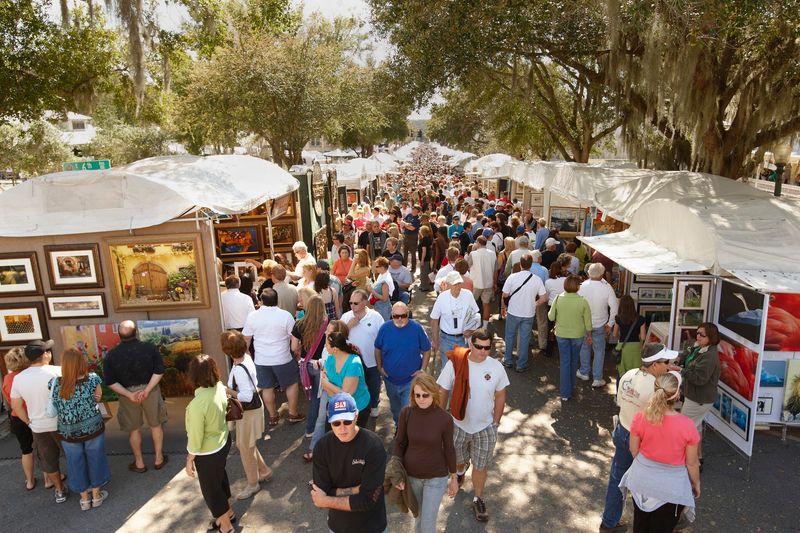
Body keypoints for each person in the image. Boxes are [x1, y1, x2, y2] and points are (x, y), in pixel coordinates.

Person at [599, 344, 674, 533]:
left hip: (623, 430)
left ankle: (609, 521)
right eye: (666, 362)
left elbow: (620, 401)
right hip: (643, 440)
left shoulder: (629, 374)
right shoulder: (656, 390)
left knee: (618, 477)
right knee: (648, 485)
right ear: (655, 365)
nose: (669, 366)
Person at [436, 330, 509, 523]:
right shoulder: (456, 363)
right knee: (458, 461)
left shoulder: (496, 367)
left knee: (481, 465)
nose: (483, 351)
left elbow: (501, 394)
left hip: (485, 428)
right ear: (471, 344)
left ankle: (478, 498)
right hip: (458, 425)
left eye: (487, 348)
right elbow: (443, 389)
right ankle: (460, 472)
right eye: (479, 347)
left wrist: (496, 421)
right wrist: (440, 417)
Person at [619, 372, 701, 532]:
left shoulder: (640, 417)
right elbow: (692, 463)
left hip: (641, 481)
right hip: (670, 488)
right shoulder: (687, 425)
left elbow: (633, 449)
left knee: (640, 525)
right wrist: (696, 484)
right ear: (677, 395)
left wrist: (646, 465)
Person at [310, 392, 388, 533]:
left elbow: (367, 500)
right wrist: (357, 489)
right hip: (337, 527)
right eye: (336, 423)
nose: (342, 428)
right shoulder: (322, 447)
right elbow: (321, 489)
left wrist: (326, 500)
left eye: (347, 421)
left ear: (356, 416)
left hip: (372, 527)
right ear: (329, 419)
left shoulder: (374, 446)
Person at [392, 374, 458, 533]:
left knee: (428, 524)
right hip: (412, 476)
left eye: (425, 395)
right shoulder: (406, 413)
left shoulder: (444, 419)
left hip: (436, 477)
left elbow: (449, 448)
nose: (421, 399)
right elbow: (399, 443)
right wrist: (396, 473)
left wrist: (454, 477)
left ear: (434, 393)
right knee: (418, 518)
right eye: (417, 395)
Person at [103, 321, 167, 473]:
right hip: (150, 390)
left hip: (127, 393)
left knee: (134, 429)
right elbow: (159, 370)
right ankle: (158, 458)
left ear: (119, 335)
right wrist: (147, 390)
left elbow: (110, 381)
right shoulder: (149, 348)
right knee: (156, 425)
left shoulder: (111, 355)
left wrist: (128, 394)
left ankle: (139, 462)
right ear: (137, 332)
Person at [50, 348, 110, 510]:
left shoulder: (55, 383)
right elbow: (99, 397)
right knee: (95, 458)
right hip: (93, 428)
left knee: (74, 462)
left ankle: (84, 499)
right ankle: (96, 495)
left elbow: (55, 403)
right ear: (81, 362)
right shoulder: (92, 379)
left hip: (68, 431)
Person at [9, 340, 66, 503]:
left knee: (49, 460)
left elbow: (16, 406)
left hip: (38, 426)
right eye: (48, 350)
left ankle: (59, 490)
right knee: (73, 455)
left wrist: (28, 421)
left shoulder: (19, 379)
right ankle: (84, 487)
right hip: (63, 423)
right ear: (45, 355)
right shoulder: (58, 371)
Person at [184, 355, 234, 533]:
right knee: (220, 478)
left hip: (208, 452)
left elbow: (196, 438)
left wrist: (190, 459)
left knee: (211, 489)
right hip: (224, 441)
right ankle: (228, 512)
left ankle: (226, 526)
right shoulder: (219, 388)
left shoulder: (197, 404)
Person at [242, 288, 305, 426]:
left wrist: (246, 353)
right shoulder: (286, 315)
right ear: (277, 300)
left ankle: (273, 416)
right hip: (283, 357)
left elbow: (246, 338)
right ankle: (293, 413)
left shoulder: (253, 316)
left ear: (261, 301)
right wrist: (297, 351)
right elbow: (293, 337)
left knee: (267, 387)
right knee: (291, 383)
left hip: (261, 359)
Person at [221, 331, 271, 501]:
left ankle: (252, 483)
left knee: (245, 448)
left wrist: (228, 391)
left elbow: (246, 396)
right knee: (248, 444)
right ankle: (263, 471)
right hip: (252, 410)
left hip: (248, 411)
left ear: (227, 351)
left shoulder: (239, 368)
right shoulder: (246, 358)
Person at [670, 322, 721, 469]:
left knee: (684, 429)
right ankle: (697, 459)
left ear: (710, 337)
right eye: (697, 332)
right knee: (695, 427)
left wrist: (680, 370)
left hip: (699, 399)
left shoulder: (710, 357)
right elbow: (688, 352)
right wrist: (680, 359)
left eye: (701, 335)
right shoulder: (701, 347)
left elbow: (699, 379)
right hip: (695, 396)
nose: (697, 336)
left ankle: (687, 461)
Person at [374, 302, 432, 427]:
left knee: (408, 411)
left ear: (408, 314)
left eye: (403, 315)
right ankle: (398, 426)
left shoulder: (417, 328)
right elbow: (377, 348)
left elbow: (427, 349)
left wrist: (422, 369)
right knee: (395, 410)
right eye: (396, 316)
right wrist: (379, 367)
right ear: (392, 315)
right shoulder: (384, 328)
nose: (400, 319)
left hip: (410, 381)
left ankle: (406, 433)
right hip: (390, 380)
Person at [501, 253, 548, 373]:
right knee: (524, 338)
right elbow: (544, 298)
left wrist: (503, 307)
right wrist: (535, 304)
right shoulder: (536, 279)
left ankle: (508, 359)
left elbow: (505, 295)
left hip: (513, 311)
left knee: (510, 335)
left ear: (520, 264)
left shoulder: (512, 277)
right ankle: (521, 364)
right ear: (531, 265)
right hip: (528, 313)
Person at [341, 289, 385, 418]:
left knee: (374, 385)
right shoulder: (346, 317)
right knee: (355, 388)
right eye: (350, 303)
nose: (352, 306)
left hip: (371, 361)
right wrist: (348, 326)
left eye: (356, 303)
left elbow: (382, 339)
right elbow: (338, 338)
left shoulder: (376, 317)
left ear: (365, 302)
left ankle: (374, 405)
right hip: (352, 363)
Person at [548, 275, 593, 401]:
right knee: (574, 361)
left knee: (564, 362)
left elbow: (551, 317)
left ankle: (564, 393)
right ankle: (571, 387)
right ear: (577, 286)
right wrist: (589, 335)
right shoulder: (583, 301)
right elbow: (588, 322)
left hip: (562, 334)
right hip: (578, 335)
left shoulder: (558, 298)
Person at [292, 296, 329, 439]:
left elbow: (294, 347)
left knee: (312, 395)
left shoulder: (299, 324)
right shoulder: (328, 324)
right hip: (321, 365)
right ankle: (311, 428)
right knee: (318, 398)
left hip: (305, 365)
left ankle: (311, 428)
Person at [2, 347, 39, 491]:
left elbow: (9, 401)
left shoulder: (7, 379)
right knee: (41, 448)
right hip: (33, 416)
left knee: (26, 450)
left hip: (17, 418)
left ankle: (29, 481)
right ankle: (49, 480)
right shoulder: (28, 376)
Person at [578, 263, 619, 388]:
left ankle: (584, 372)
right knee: (599, 351)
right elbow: (615, 308)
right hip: (601, 324)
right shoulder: (607, 288)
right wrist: (610, 323)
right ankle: (597, 378)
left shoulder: (582, 286)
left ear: (589, 273)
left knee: (584, 348)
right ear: (602, 274)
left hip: (584, 324)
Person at [430, 271, 481, 371]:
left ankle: (459, 387)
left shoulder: (468, 295)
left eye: (459, 283)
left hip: (463, 339)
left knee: (461, 369)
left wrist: (471, 331)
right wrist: (435, 340)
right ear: (448, 284)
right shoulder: (442, 298)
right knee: (447, 369)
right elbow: (434, 320)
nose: (458, 287)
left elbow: (476, 315)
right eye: (454, 284)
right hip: (446, 339)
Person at [320, 332, 372, 428]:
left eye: (326, 344)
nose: (324, 346)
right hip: (336, 406)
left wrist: (328, 384)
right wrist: (335, 392)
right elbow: (324, 384)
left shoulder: (354, 363)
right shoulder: (330, 358)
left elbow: (346, 395)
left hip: (356, 408)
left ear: (335, 349)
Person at [467, 235, 497, 330]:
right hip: (488, 283)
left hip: (476, 283)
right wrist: (494, 283)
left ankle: (471, 325)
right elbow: (495, 270)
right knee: (486, 305)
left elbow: (467, 266)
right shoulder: (493, 254)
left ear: (478, 243)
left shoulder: (473, 254)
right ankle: (484, 327)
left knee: (471, 305)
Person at [613, 295, 648, 376]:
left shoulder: (618, 318)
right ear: (633, 305)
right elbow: (643, 337)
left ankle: (621, 387)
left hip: (623, 348)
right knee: (635, 373)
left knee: (622, 373)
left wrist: (621, 337)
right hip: (636, 348)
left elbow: (614, 334)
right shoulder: (641, 319)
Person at [370, 256, 395, 321]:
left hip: (384, 310)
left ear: (382, 267)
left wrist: (372, 291)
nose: (375, 268)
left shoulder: (385, 280)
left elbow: (385, 299)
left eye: (377, 266)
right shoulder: (382, 275)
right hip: (379, 307)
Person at [418, 224, 435, 291]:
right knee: (425, 273)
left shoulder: (424, 239)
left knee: (424, 273)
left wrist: (422, 260)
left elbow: (424, 251)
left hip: (425, 259)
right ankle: (423, 286)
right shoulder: (428, 238)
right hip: (427, 258)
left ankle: (424, 287)